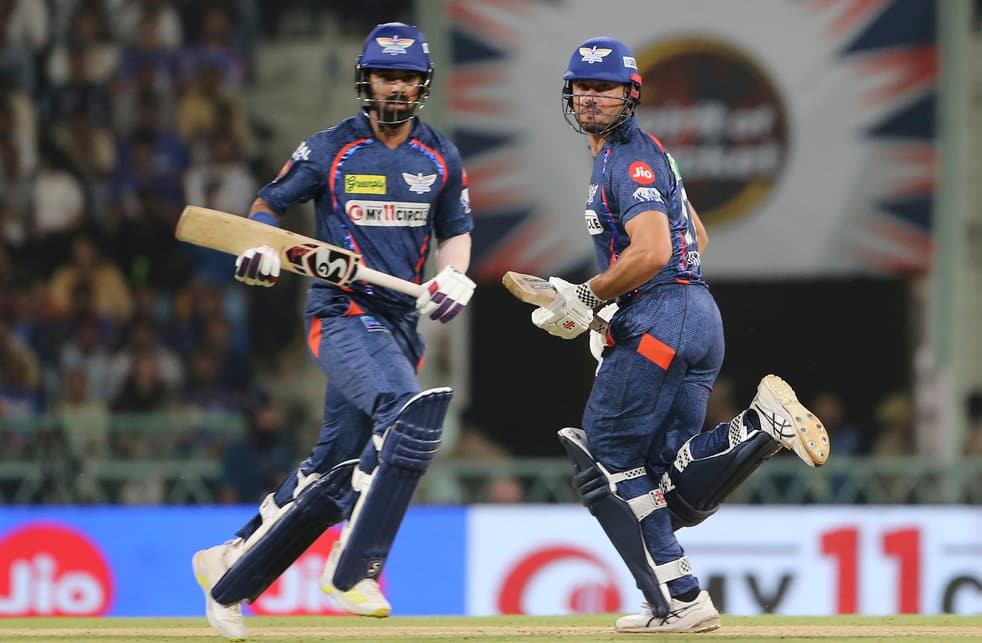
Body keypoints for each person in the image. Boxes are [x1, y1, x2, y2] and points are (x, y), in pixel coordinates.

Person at [529, 37, 831, 634]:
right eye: (583, 88)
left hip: (661, 316)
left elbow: (655, 249)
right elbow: (697, 235)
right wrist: (612, 316)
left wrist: (591, 298)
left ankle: (682, 599)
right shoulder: (651, 154)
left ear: (630, 95)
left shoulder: (626, 161)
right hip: (695, 317)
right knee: (670, 482)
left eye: (605, 88)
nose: (591, 98)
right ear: (570, 95)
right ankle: (752, 439)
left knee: (610, 461)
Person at [191, 23, 475, 640]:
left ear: (421, 84)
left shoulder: (440, 156)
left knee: (336, 465)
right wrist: (260, 249)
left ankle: (229, 566)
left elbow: (455, 231)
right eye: (384, 75)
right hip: (341, 314)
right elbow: (267, 208)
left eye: (406, 77)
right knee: (406, 414)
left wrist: (454, 276)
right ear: (365, 79)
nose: (395, 88)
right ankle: (356, 566)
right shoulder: (330, 149)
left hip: (402, 323)